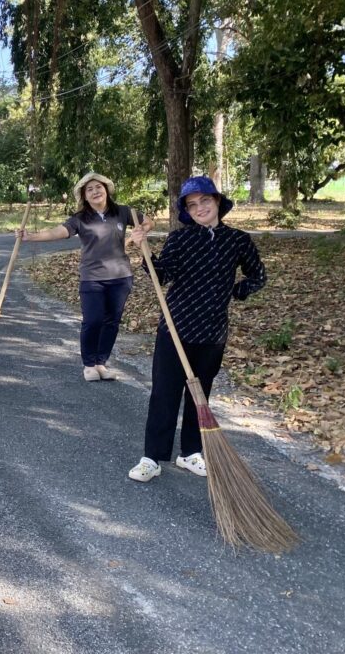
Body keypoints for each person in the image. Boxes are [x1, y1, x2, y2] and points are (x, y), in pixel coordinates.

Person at [128, 176, 266, 483]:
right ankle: (152, 457)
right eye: (192, 205)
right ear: (187, 211)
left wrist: (236, 291)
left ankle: (191, 452)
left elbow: (257, 275)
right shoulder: (180, 239)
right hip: (175, 328)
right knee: (164, 394)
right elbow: (161, 275)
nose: (200, 208)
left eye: (205, 200)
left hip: (212, 332)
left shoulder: (238, 240)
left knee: (200, 395)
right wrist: (143, 249)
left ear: (217, 201)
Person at [17, 172, 153, 381]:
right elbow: (58, 232)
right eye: (89, 189)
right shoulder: (80, 218)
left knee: (112, 322)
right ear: (84, 196)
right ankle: (89, 364)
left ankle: (101, 362)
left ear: (106, 190)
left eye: (98, 187)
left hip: (121, 277)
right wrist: (31, 237)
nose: (95, 191)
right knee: (93, 320)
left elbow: (149, 222)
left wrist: (140, 231)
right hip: (92, 277)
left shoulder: (123, 211)